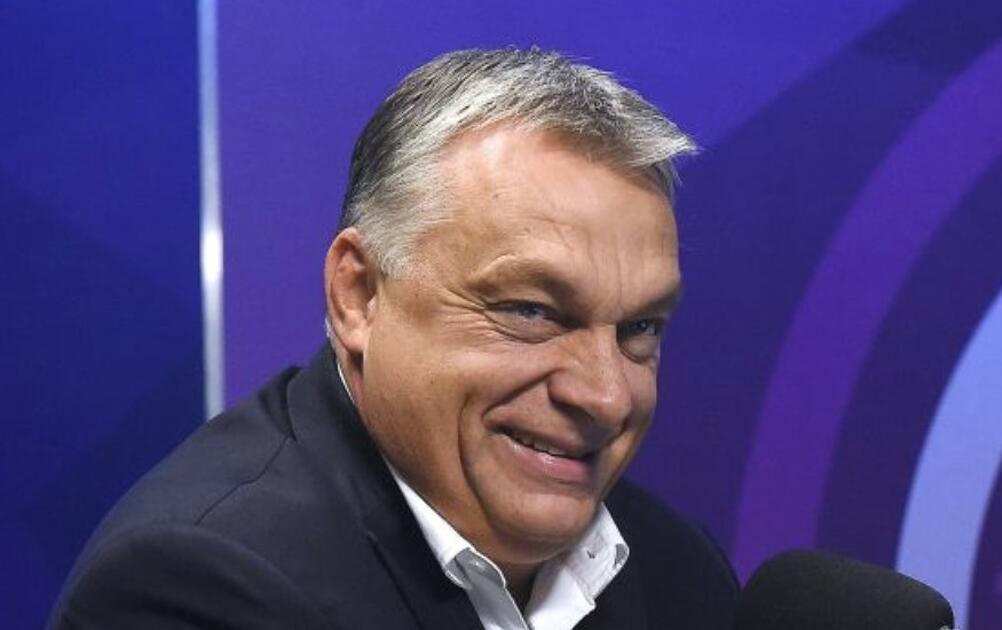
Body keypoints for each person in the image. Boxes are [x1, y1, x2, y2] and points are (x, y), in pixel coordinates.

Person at [49, 48, 738, 629]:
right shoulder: (196, 585)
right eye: (531, 311)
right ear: (359, 296)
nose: (606, 395)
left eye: (639, 329)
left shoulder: (680, 570)